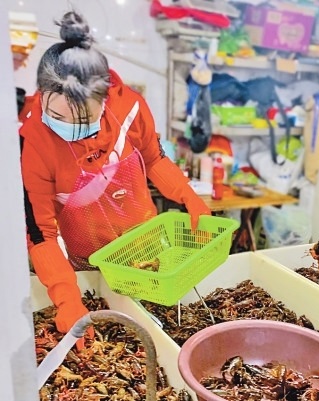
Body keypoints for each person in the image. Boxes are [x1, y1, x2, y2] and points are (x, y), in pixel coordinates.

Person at [20, 11, 211, 349]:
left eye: (83, 119)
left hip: (147, 251)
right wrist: (67, 298)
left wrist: (187, 194)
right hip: (87, 264)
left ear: (106, 99)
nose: (71, 129)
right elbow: (40, 233)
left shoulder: (130, 108)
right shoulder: (31, 142)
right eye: (58, 116)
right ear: (43, 93)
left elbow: (154, 159)